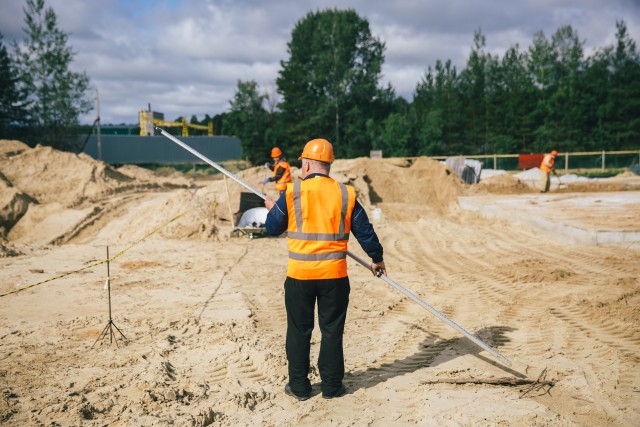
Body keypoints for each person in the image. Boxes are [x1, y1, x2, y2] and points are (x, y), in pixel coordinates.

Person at [264, 138, 386, 401]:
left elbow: (272, 228)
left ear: (307, 163)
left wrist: (273, 209)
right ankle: (331, 386)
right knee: (332, 330)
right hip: (334, 277)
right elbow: (365, 231)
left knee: (299, 330)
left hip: (299, 276)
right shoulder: (345, 193)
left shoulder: (291, 192)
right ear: (328, 164)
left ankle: (299, 387)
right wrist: (376, 258)